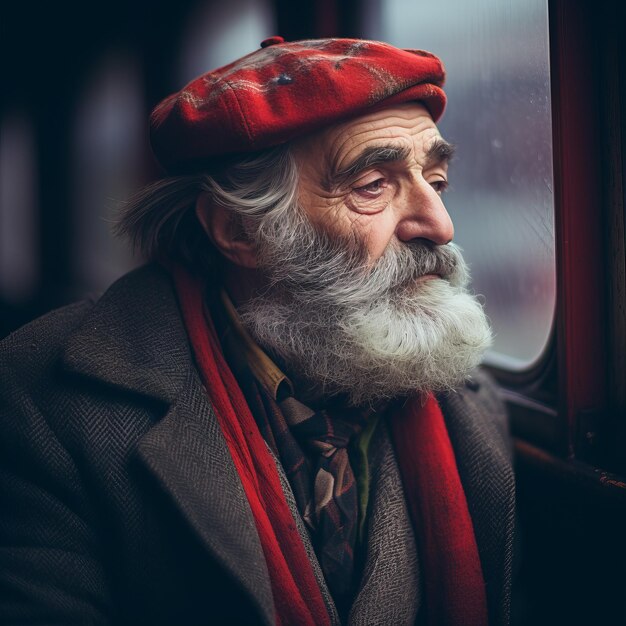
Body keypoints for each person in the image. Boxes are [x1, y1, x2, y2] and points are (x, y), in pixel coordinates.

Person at [0, 37, 515, 626]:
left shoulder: (474, 407)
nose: (440, 226)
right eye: (373, 185)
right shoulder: (38, 406)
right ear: (241, 231)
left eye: (437, 181)